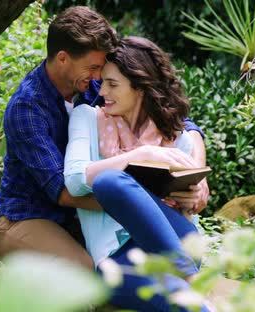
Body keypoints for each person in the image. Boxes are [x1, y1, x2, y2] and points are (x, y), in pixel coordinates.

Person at [0, 6, 208, 269]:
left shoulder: (94, 83)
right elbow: (61, 191)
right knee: (85, 272)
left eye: (102, 69)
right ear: (62, 58)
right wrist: (140, 202)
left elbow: (179, 122)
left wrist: (197, 175)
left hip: (87, 219)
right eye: (93, 67)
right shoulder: (27, 108)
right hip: (30, 218)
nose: (98, 78)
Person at [64, 36, 210, 311]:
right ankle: (195, 286)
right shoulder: (86, 117)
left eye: (112, 84)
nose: (102, 90)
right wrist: (140, 156)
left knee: (109, 180)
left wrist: (192, 196)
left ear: (140, 87)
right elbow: (74, 180)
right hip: (116, 258)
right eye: (103, 81)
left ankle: (189, 273)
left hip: (178, 243)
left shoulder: (176, 135)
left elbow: (194, 206)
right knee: (109, 181)